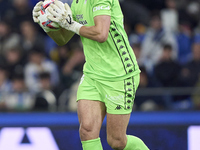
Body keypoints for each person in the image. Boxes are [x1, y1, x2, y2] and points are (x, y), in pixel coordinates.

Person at [33, 0, 149, 150]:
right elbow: (63, 39)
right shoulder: (77, 2)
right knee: (87, 130)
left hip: (119, 74)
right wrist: (46, 23)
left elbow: (101, 33)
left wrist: (72, 25)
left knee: (117, 141)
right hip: (92, 74)